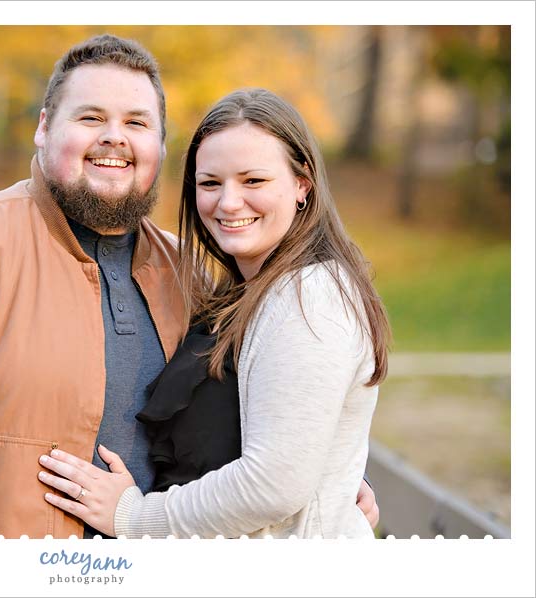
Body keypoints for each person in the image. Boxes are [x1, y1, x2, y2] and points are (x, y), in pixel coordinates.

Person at [0, 35, 378, 539]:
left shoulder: (190, 273)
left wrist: (331, 477)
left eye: (137, 122)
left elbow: (269, 412)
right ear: (45, 127)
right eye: (91, 117)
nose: (115, 136)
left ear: (159, 144)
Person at [36, 88, 391, 539]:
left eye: (253, 181)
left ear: (303, 184)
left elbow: (274, 485)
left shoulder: (310, 298)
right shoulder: (240, 293)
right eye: (210, 183)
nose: (228, 202)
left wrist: (135, 517)